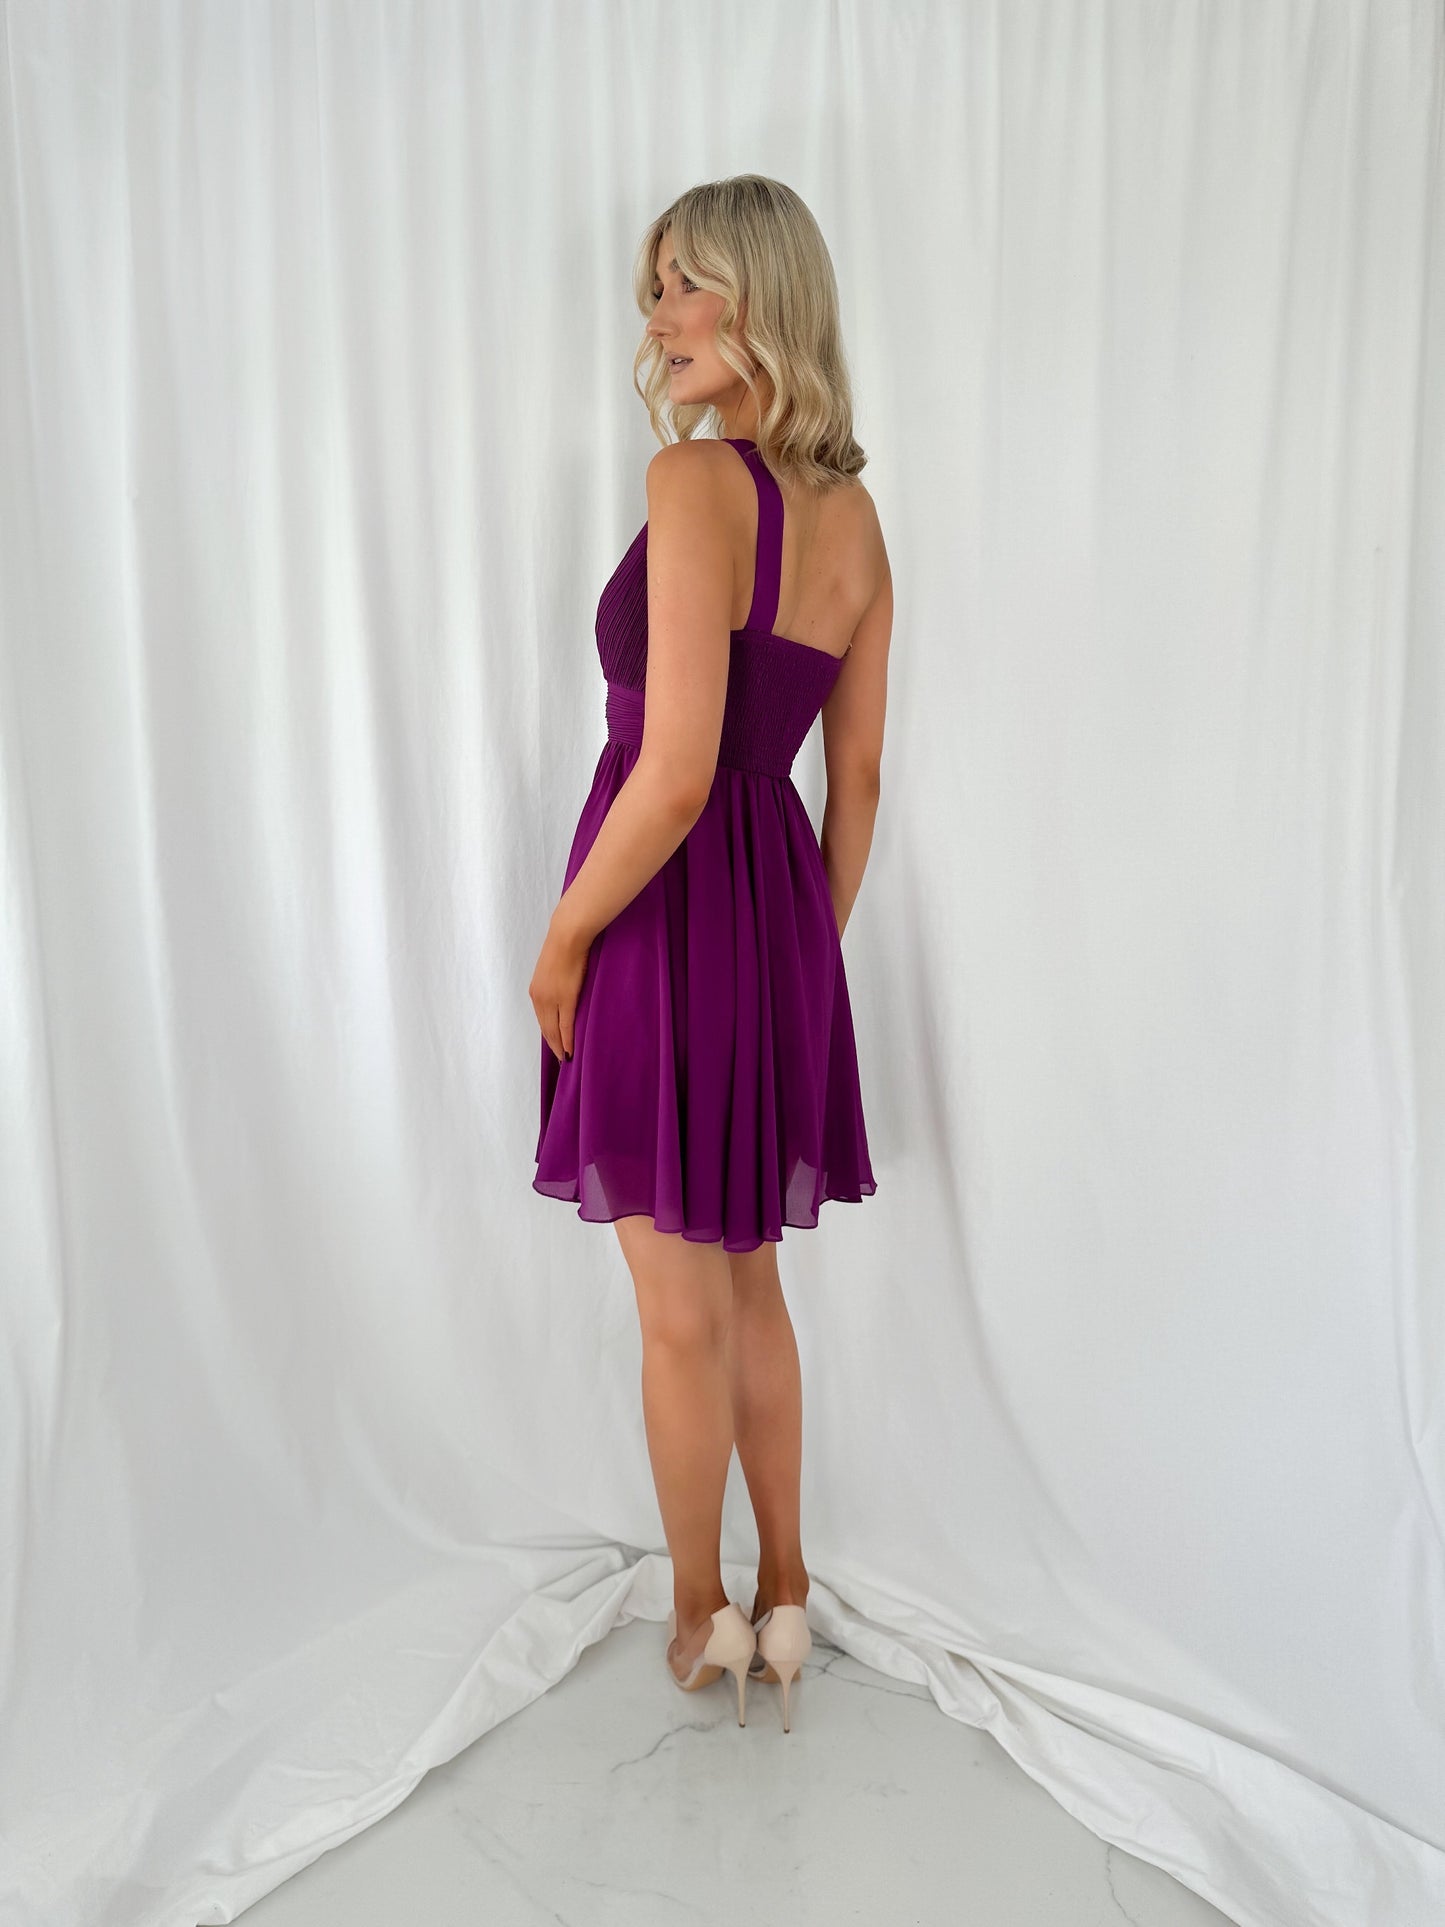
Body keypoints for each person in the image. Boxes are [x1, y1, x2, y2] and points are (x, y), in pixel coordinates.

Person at [529, 175, 890, 1731]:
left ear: (761, 300)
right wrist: (799, 955)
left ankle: (699, 1617)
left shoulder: (697, 488)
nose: (657, 317)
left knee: (676, 1306)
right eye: (653, 289)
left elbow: (673, 769)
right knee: (747, 1291)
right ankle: (790, 1592)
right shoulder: (858, 516)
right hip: (772, 922)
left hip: (656, 912)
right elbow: (854, 781)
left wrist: (562, 942)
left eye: (686, 288)